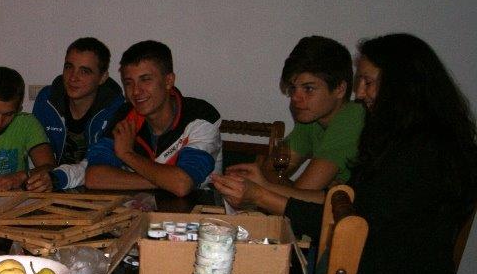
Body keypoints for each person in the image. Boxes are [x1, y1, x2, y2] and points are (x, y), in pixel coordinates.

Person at [213, 33, 477, 274]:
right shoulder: (406, 141)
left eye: (368, 82)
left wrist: (262, 196)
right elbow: (344, 207)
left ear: (403, 87)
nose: (360, 92)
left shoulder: (420, 154)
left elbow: (348, 224)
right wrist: (262, 190)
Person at [224, 36, 364, 213]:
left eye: (308, 89)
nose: (296, 98)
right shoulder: (311, 119)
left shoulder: (352, 117)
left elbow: (298, 200)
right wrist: (279, 186)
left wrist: (264, 187)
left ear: (339, 89)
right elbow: (270, 171)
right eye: (292, 88)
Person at [85, 40, 222, 197]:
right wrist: (164, 181)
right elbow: (94, 177)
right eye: (129, 83)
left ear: (168, 81)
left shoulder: (200, 115)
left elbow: (182, 184)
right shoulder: (126, 114)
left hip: (199, 210)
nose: (136, 91)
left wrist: (128, 154)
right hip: (140, 209)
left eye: (145, 80)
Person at [30, 37, 125, 190]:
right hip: (51, 186)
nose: (73, 77)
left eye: (84, 71)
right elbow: (35, 151)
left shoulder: (116, 109)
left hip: (97, 189)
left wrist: (56, 178)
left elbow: (102, 164)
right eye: (69, 67)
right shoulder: (47, 100)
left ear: (102, 78)